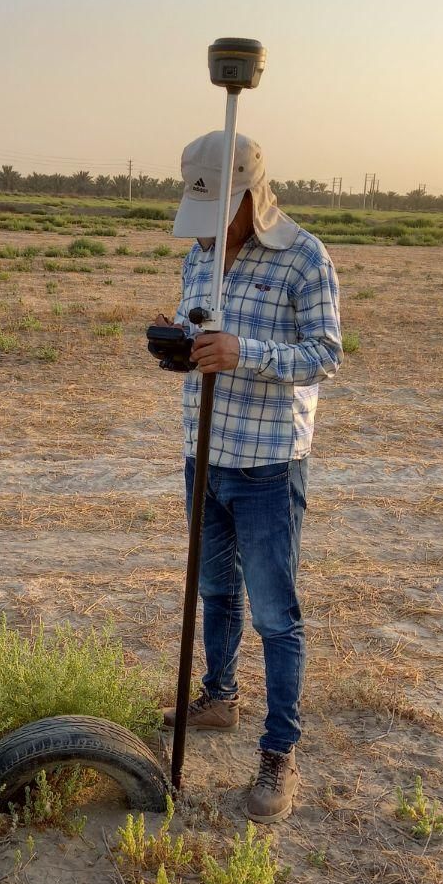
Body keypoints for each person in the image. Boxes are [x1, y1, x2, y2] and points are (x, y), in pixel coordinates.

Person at [157, 131, 342, 822]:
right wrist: (177, 345)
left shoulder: (303, 257)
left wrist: (243, 352)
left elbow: (325, 354)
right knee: (213, 590)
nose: (207, 232)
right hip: (201, 451)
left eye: (220, 213)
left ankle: (278, 753)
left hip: (266, 460)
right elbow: (196, 327)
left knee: (275, 614)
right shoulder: (196, 256)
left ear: (251, 196)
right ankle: (218, 697)